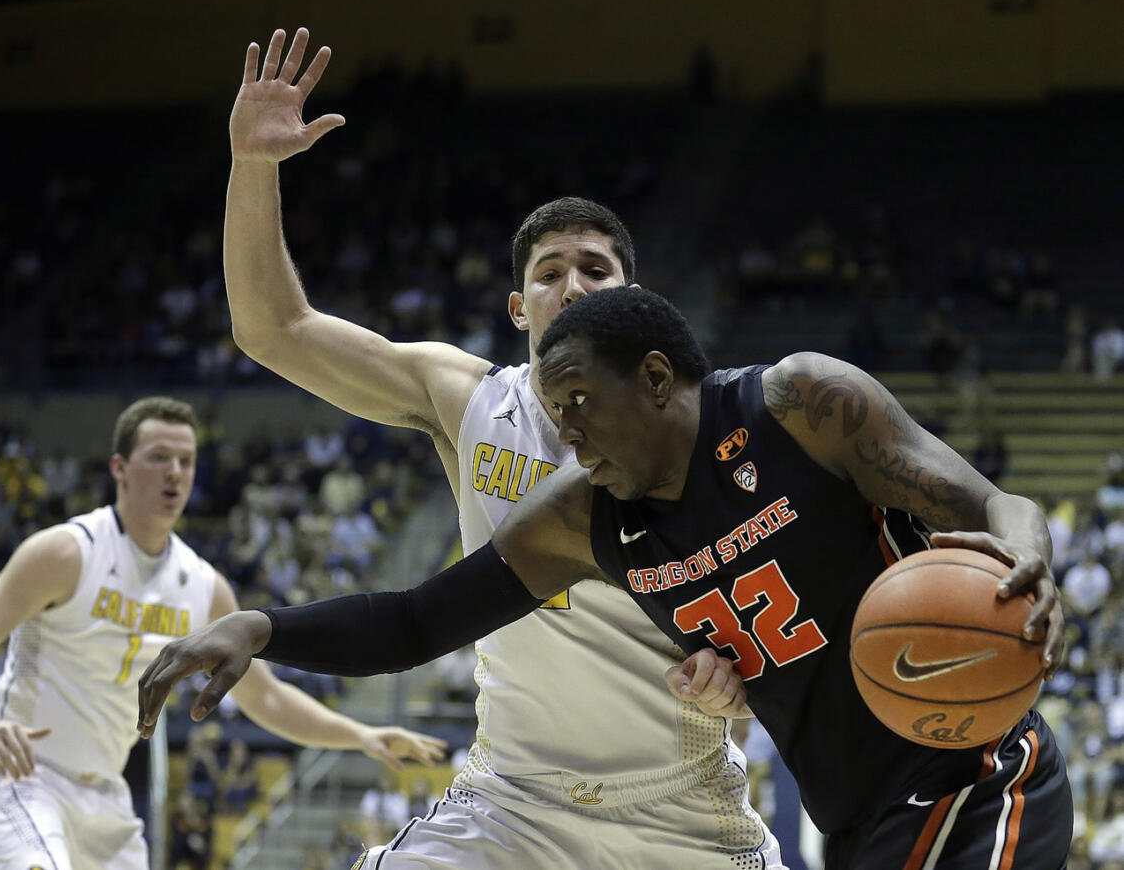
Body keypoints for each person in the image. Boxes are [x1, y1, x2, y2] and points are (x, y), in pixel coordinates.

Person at [140, 288, 1074, 869]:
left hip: (975, 769)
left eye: (580, 402)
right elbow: (417, 622)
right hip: (861, 815)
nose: (569, 431)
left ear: (658, 377)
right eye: (554, 411)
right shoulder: (590, 519)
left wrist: (1028, 563)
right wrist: (261, 627)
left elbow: (991, 504)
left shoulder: (799, 405)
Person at [207, 26, 784, 869]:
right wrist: (253, 167)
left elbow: (776, 626)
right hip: (511, 800)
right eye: (549, 272)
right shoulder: (466, 398)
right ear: (520, 309)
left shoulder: (704, 430)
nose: (572, 286)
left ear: (633, 299)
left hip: (678, 808)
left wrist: (740, 678)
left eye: (595, 270)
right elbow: (273, 328)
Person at [0, 396, 444, 870]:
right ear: (119, 469)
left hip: (103, 797)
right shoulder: (68, 552)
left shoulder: (203, 587)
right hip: (22, 773)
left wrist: (361, 735)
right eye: (158, 457)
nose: (175, 472)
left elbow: (266, 699)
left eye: (186, 460)